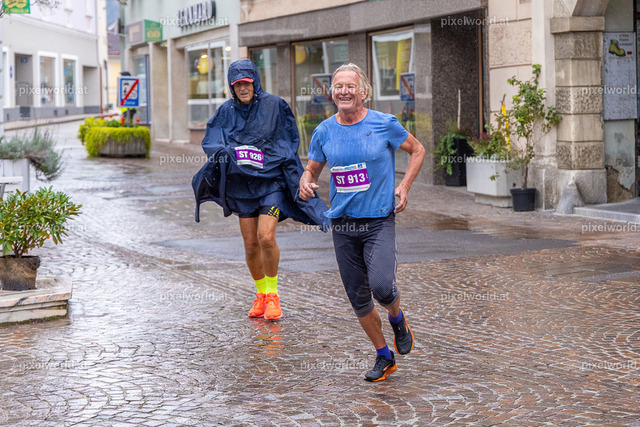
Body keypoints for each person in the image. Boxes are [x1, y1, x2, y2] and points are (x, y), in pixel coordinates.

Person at [299, 63, 425, 382]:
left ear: (364, 92)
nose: (344, 91)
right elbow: (312, 168)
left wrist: (405, 185)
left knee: (382, 287)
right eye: (338, 86)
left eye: (350, 86)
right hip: (343, 225)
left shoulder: (384, 124)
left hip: (378, 220)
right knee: (358, 297)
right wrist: (305, 179)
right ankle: (384, 355)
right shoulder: (324, 131)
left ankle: (396, 316)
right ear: (332, 92)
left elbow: (417, 150)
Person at [192, 59, 329, 321]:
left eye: (247, 83)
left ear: (255, 82)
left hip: (271, 183)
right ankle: (261, 294)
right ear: (232, 87)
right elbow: (211, 141)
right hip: (242, 185)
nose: (243, 88)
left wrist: (267, 158)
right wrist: (225, 153)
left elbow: (289, 141)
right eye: (237, 84)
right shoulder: (225, 111)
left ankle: (274, 295)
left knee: (266, 237)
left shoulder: (275, 105)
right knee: (251, 243)